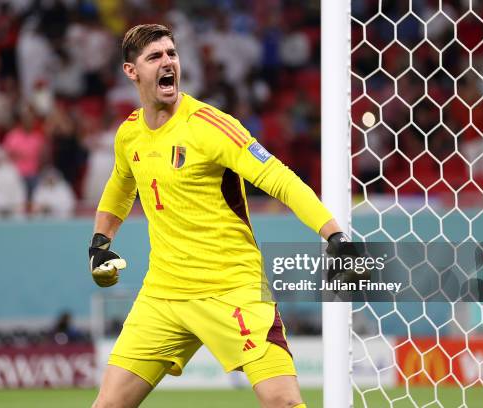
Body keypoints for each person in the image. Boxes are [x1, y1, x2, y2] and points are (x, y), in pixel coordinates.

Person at [88, 24, 352, 408]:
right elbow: (120, 187)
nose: (168, 63)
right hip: (164, 294)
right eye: (155, 57)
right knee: (108, 405)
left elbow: (279, 178)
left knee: (283, 402)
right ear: (132, 72)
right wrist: (100, 243)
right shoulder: (129, 134)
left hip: (233, 288)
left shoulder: (211, 126)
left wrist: (333, 235)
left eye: (171, 54)